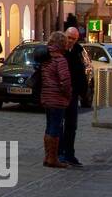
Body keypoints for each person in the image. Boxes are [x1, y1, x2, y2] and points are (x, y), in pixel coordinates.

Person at [38, 31, 73, 169]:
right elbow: (65, 81)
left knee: (49, 127)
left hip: (46, 97)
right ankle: (53, 158)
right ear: (62, 44)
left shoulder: (45, 58)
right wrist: (68, 94)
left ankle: (47, 156)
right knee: (56, 128)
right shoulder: (60, 59)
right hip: (57, 98)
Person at [60, 27, 90, 167]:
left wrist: (83, 92)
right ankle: (59, 154)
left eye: (73, 38)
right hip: (59, 94)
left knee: (71, 125)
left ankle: (69, 154)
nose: (70, 41)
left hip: (72, 94)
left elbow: (81, 73)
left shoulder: (78, 51)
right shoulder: (58, 50)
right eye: (69, 37)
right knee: (58, 125)